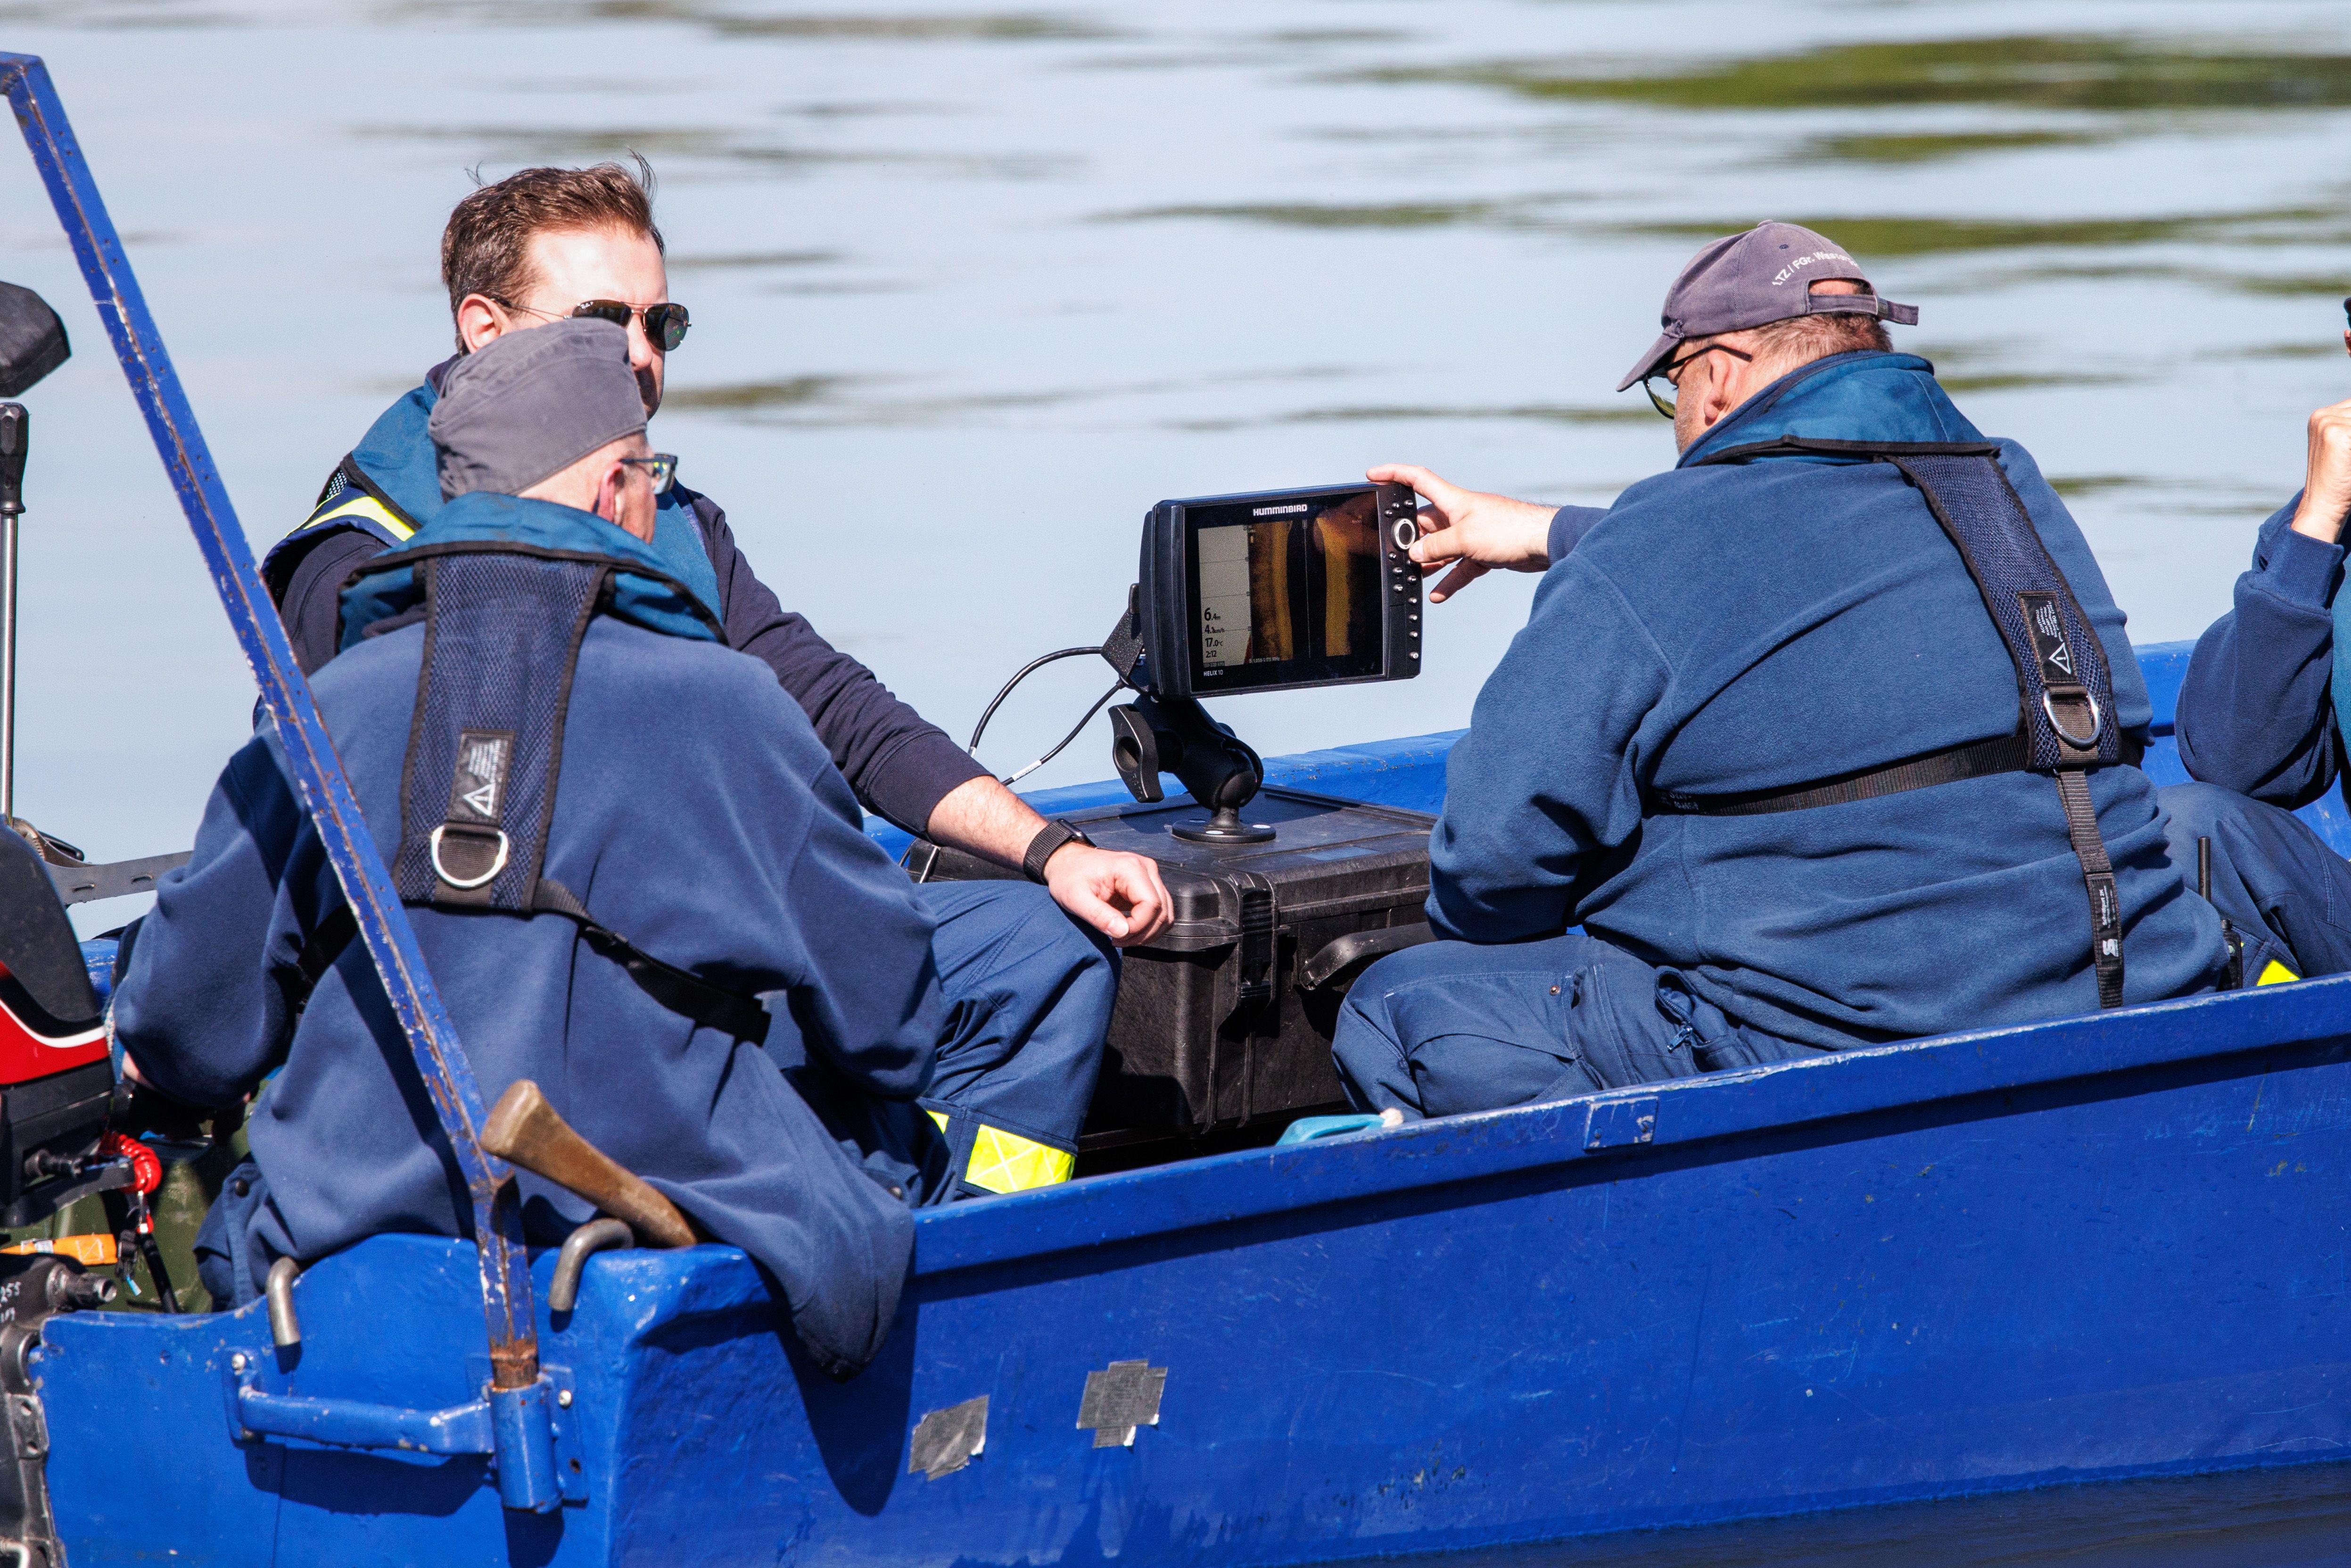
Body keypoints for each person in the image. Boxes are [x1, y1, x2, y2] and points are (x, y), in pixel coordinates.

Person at [113, 322, 1117, 1375]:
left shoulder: (322, 715)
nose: (656, 500)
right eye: (651, 472)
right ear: (612, 489)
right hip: (662, 1228)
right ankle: (982, 1348)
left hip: (336, 1251)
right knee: (936, 1105)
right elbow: (891, 1028)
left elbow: (184, 1032)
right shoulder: (730, 707)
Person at [261, 159, 1166, 1196]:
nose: (642, 357)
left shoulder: (675, 527)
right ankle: (844, 1209)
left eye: (663, 324)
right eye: (604, 322)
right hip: (506, 1017)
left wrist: (1049, 849)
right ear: (484, 327)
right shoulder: (359, 567)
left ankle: (969, 1235)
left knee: (1042, 950)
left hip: (689, 963)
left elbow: (832, 705)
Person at [1328, 221, 2309, 1122]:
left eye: (1672, 391)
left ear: (1718, 375)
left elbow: (1487, 883)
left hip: (1830, 1047)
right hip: (2125, 988)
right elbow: (1806, 548)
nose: (1679, 421)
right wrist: (1559, 534)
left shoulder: (1652, 544)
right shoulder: (2008, 487)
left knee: (1398, 1006)